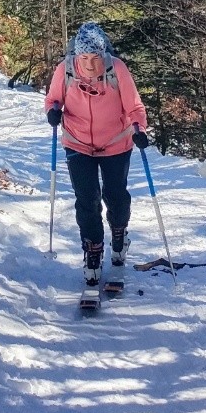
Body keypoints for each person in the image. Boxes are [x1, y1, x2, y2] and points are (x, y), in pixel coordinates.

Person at [45, 22, 150, 286]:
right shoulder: (65, 70)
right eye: (84, 58)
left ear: (103, 53)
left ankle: (118, 232)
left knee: (115, 196)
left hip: (116, 142)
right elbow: (52, 98)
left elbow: (134, 106)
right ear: (76, 56)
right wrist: (53, 111)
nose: (90, 63)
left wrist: (139, 129)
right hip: (78, 143)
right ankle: (92, 250)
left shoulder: (117, 69)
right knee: (87, 200)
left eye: (95, 57)